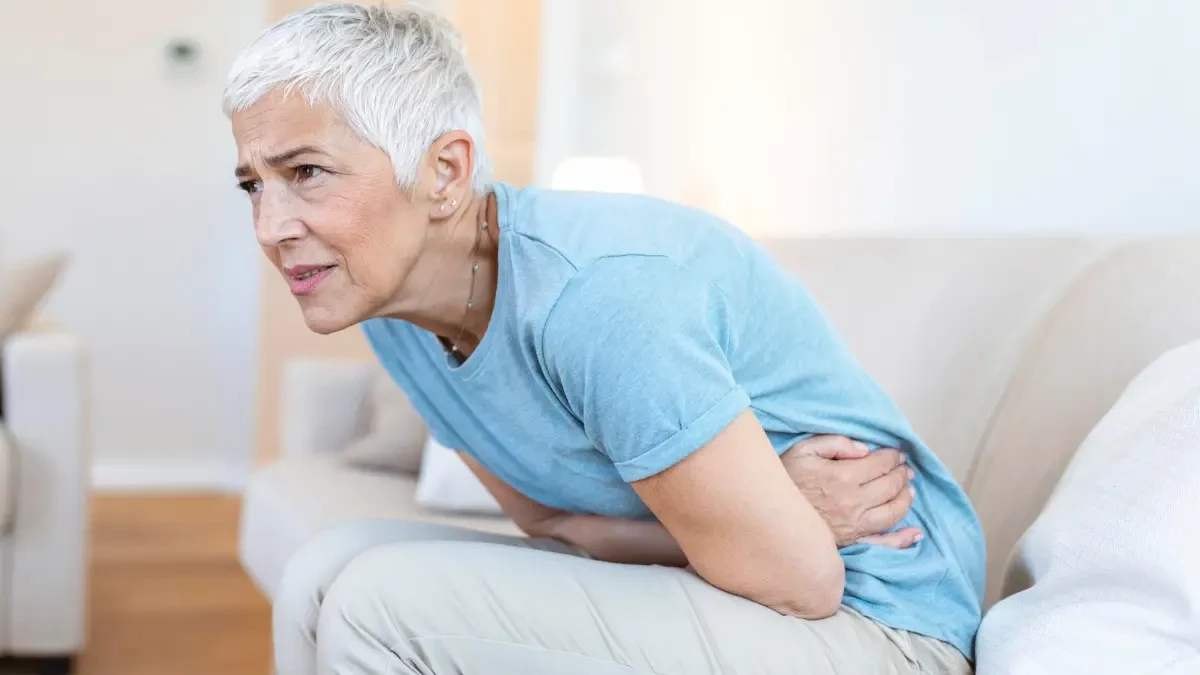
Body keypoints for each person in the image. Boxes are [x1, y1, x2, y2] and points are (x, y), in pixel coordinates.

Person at [224, 4, 984, 674]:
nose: (271, 226)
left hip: (879, 624)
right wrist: (777, 505)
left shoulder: (598, 294)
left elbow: (802, 578)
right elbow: (549, 522)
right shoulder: (400, 319)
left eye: (308, 172)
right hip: (749, 577)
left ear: (446, 171)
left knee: (374, 605)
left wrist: (775, 524)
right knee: (320, 571)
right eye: (255, 183)